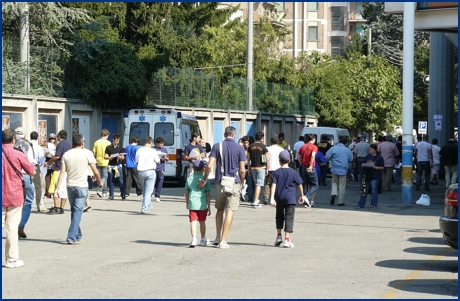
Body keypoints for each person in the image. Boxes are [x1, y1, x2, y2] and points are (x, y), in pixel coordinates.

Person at [198, 126, 246, 249]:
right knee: (230, 210)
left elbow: (209, 165)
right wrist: (242, 181)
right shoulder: (240, 149)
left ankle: (217, 236)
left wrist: (204, 179)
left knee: (220, 209)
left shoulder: (217, 146)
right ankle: (223, 241)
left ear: (224, 135)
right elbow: (242, 169)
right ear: (234, 135)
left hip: (220, 181)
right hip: (234, 182)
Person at [54, 134, 102, 244]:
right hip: (81, 187)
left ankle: (77, 234)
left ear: (72, 143)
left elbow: (62, 172)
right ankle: (71, 237)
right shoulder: (87, 153)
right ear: (83, 143)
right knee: (77, 212)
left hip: (70, 186)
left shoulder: (66, 154)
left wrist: (58, 188)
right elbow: (95, 170)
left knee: (75, 211)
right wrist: (99, 181)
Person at [2, 129, 36, 268]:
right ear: (13, 140)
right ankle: (12, 259)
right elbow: (32, 171)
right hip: (14, 196)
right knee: (12, 229)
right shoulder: (18, 154)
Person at [269, 150, 304, 248]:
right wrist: (302, 195)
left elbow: (273, 185)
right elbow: (300, 184)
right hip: (290, 199)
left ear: (279, 161)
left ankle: (279, 236)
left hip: (279, 198)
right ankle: (287, 239)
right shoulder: (293, 172)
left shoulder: (276, 172)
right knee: (289, 218)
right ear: (289, 160)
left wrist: (272, 198)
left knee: (279, 216)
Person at [13, 127, 35, 239]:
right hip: (24, 175)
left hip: (11, 176)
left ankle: (12, 225)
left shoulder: (8, 144)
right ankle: (20, 225)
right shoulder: (27, 145)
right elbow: (30, 162)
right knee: (28, 201)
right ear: (25, 135)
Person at [44, 130, 72, 214]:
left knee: (55, 188)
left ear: (59, 136)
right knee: (64, 189)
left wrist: (48, 162)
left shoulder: (60, 144)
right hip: (67, 169)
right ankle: (61, 208)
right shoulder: (69, 144)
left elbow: (57, 157)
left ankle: (56, 207)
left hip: (59, 169)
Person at [185, 160, 211, 247]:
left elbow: (187, 192)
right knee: (202, 221)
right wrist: (209, 206)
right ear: (203, 169)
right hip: (202, 203)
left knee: (193, 221)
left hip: (192, 203)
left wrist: (187, 203)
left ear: (193, 169)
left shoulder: (189, 179)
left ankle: (193, 239)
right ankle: (203, 238)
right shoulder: (205, 180)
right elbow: (208, 194)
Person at [325, 137, 353, 206]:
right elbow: (351, 159)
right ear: (345, 143)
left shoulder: (333, 148)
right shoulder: (347, 150)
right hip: (343, 169)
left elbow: (327, 156)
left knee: (334, 182)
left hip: (334, 168)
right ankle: (341, 201)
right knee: (342, 185)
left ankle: (333, 194)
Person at [136, 137, 160, 214]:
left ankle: (149, 206)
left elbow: (136, 161)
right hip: (150, 171)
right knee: (148, 191)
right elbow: (158, 161)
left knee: (145, 191)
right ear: (151, 143)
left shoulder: (139, 150)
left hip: (141, 171)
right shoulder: (153, 151)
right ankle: (145, 208)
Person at [355, 144, 384, 209]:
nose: (370, 151)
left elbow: (382, 167)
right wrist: (363, 165)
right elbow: (363, 163)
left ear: (375, 150)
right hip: (367, 175)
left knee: (373, 190)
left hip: (375, 176)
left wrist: (375, 167)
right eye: (369, 149)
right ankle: (361, 204)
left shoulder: (379, 157)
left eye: (371, 149)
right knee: (364, 190)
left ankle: (373, 204)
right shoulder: (367, 156)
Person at [247, 131, 270, 208]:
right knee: (259, 184)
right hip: (261, 167)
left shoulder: (250, 147)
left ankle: (255, 199)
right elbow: (267, 159)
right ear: (262, 138)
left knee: (255, 183)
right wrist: (267, 168)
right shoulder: (264, 147)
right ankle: (256, 201)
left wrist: (249, 169)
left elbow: (248, 159)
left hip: (253, 167)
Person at [298, 133, 318, 207]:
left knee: (305, 184)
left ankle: (306, 202)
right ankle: (306, 197)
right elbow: (313, 156)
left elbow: (299, 157)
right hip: (310, 167)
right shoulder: (314, 147)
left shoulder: (302, 147)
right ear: (313, 139)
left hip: (303, 166)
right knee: (315, 185)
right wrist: (310, 165)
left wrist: (302, 164)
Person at [104, 133, 126, 200]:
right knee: (111, 181)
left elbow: (123, 157)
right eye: (116, 141)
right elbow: (105, 156)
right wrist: (109, 158)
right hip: (111, 166)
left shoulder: (120, 148)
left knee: (121, 181)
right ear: (113, 140)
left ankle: (123, 195)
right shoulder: (108, 147)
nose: (117, 142)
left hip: (118, 166)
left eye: (118, 141)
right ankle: (111, 195)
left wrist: (121, 157)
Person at [29, 131, 46, 212]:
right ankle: (40, 205)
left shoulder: (27, 145)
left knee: (26, 186)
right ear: (37, 138)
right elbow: (41, 159)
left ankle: (24, 204)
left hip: (26, 167)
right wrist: (39, 163)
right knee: (38, 187)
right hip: (35, 167)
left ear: (30, 137)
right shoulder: (39, 147)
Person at [263, 137, 283, 205]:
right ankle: (276, 196)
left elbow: (264, 159)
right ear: (278, 142)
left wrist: (265, 168)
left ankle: (266, 195)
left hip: (270, 168)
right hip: (279, 168)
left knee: (268, 183)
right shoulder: (281, 149)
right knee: (277, 183)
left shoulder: (267, 149)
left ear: (271, 142)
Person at [92, 129, 111, 197]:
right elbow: (110, 153)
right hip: (105, 161)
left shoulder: (96, 142)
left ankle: (105, 191)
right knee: (105, 176)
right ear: (107, 135)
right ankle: (99, 189)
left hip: (98, 161)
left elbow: (94, 153)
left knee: (100, 176)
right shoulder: (108, 143)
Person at [153, 136, 170, 202]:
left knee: (160, 182)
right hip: (153, 167)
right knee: (152, 182)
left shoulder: (164, 150)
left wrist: (165, 158)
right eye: (160, 143)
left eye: (162, 144)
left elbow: (168, 159)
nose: (162, 145)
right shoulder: (153, 149)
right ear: (157, 143)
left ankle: (157, 195)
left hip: (161, 168)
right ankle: (150, 193)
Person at [240, 136, 255, 204]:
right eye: (244, 143)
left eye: (247, 143)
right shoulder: (240, 149)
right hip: (241, 168)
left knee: (250, 184)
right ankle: (240, 196)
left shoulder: (251, 149)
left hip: (248, 168)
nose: (246, 144)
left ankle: (250, 199)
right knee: (240, 183)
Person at [43, 133, 57, 198]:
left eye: (53, 139)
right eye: (51, 139)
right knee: (47, 178)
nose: (52, 140)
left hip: (54, 161)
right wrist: (46, 153)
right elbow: (44, 155)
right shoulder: (47, 145)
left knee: (55, 178)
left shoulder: (57, 145)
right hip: (48, 161)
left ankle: (55, 192)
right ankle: (47, 193)